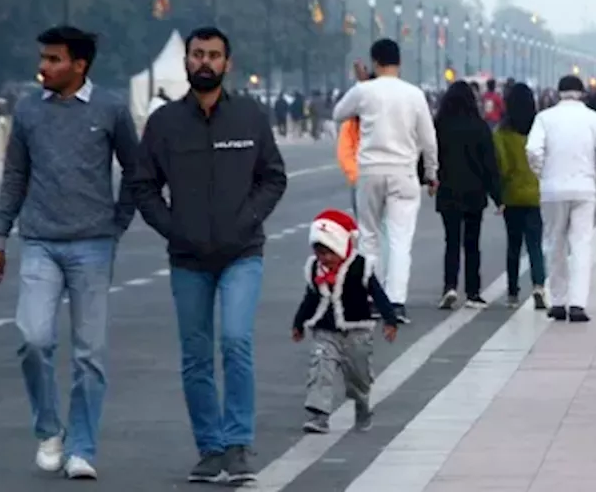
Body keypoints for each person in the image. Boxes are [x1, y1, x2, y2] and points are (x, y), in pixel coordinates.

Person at [129, 27, 287, 485]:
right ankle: (210, 448)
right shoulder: (164, 124)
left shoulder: (250, 118)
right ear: (186, 61)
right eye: (197, 54)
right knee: (196, 356)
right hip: (188, 257)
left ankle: (238, 444)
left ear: (227, 63)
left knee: (236, 341)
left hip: (242, 252)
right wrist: (172, 226)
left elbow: (274, 177)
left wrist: (249, 217)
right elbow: (142, 183)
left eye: (214, 55)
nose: (204, 62)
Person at [0, 26, 138, 480]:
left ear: (79, 65)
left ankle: (82, 448)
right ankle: (49, 429)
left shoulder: (110, 108)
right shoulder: (29, 109)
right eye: (43, 58)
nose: (43, 67)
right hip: (39, 242)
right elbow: (14, 176)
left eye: (53, 59)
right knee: (33, 339)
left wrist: (118, 222)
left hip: (93, 244)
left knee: (90, 353)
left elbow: (136, 169)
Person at [333, 39, 439, 324]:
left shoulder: (364, 91)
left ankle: (371, 296)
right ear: (399, 63)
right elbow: (429, 139)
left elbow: (338, 113)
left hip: (370, 170)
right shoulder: (414, 95)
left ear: (375, 62)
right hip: (403, 172)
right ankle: (396, 300)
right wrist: (431, 172)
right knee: (400, 240)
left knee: (368, 237)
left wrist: (363, 83)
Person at [292, 209, 398, 435]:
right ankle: (319, 415)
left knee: (358, 377)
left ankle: (362, 407)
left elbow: (377, 294)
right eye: (320, 253)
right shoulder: (314, 269)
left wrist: (390, 320)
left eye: (330, 253)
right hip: (325, 331)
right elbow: (310, 298)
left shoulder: (360, 266)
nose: (325, 259)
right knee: (321, 369)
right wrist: (299, 323)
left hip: (357, 332)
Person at [526, 75, 596, 322]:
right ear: (582, 93)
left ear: (559, 93)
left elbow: (533, 150)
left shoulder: (545, 118)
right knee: (581, 245)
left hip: (552, 189)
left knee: (554, 244)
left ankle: (557, 301)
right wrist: (595, 177)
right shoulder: (595, 119)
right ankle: (577, 303)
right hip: (584, 188)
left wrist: (543, 173)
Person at [433, 81, 503, 309]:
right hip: (474, 192)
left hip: (448, 191)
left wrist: (428, 179)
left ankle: (449, 287)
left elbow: (430, 156)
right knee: (472, 243)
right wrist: (498, 196)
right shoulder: (480, 127)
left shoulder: (439, 126)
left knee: (451, 241)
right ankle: (473, 292)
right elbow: (489, 165)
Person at [493, 83, 547, 309]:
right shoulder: (540, 128)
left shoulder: (501, 132)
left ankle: (513, 293)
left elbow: (502, 167)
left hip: (512, 195)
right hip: (536, 194)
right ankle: (539, 286)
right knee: (535, 244)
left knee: (513, 245)